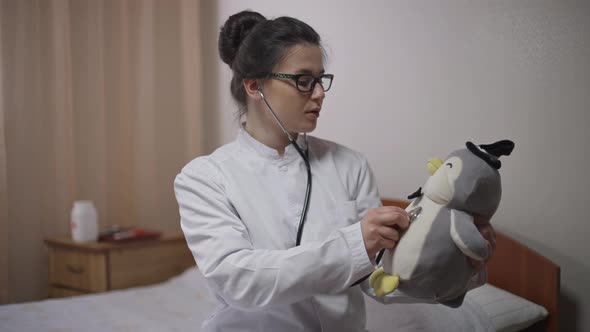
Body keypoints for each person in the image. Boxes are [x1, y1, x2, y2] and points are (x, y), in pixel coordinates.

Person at [174, 10, 496, 332]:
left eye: (320, 79)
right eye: (303, 80)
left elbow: (378, 281)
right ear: (254, 86)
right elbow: (239, 281)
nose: (319, 93)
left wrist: (457, 262)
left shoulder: (350, 165)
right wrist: (357, 242)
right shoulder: (204, 178)